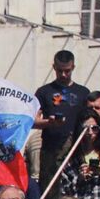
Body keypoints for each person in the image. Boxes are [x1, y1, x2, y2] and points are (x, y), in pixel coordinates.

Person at [34, 49, 92, 190]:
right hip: (51, 150)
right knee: (49, 190)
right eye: (60, 71)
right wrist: (49, 122)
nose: (63, 74)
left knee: (77, 187)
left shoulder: (83, 92)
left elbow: (91, 119)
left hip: (76, 149)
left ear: (73, 67)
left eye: (67, 71)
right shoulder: (43, 92)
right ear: (54, 67)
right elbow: (33, 121)